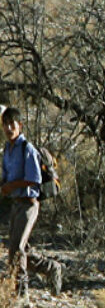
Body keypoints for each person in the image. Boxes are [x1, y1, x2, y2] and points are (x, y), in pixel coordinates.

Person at [2, 108, 62, 296]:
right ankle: (51, 268)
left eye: (13, 124)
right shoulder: (7, 150)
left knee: (17, 248)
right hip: (16, 203)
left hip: (29, 204)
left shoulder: (27, 148)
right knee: (20, 250)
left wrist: (11, 186)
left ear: (20, 126)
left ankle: (21, 293)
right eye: (6, 124)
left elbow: (34, 179)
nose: (9, 128)